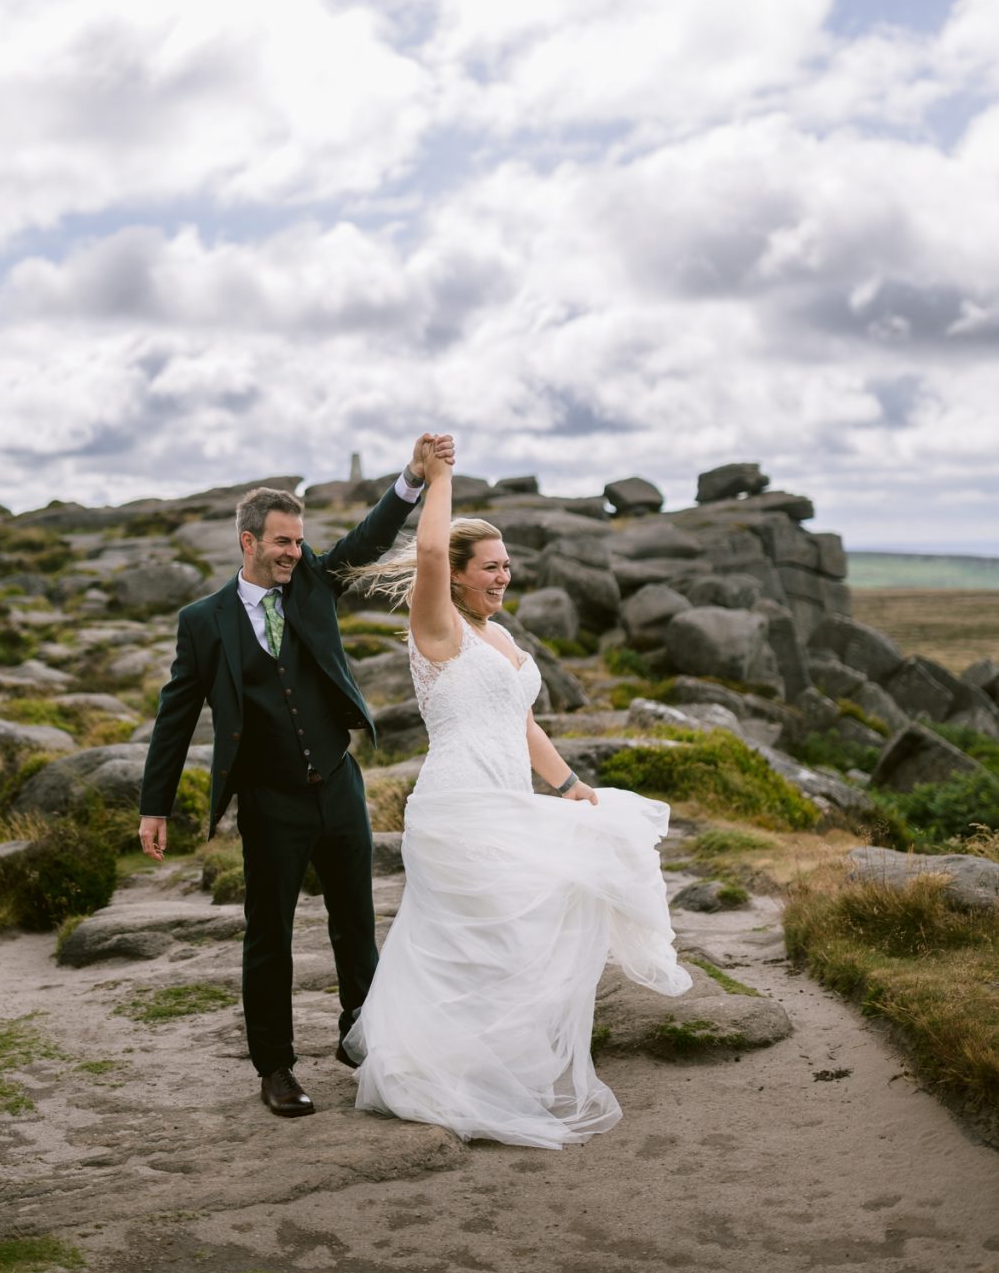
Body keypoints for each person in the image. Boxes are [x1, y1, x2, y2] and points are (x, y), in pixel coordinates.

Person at [341, 446, 690, 1148]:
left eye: (506, 565)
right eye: (490, 567)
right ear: (459, 577)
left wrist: (568, 786)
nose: (503, 576)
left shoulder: (496, 634)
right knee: (475, 938)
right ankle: (437, 1072)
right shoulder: (433, 626)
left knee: (511, 936)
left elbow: (521, 722)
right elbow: (431, 549)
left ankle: (488, 1066)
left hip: (505, 797)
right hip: (458, 804)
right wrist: (436, 479)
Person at [138, 435, 455, 1119]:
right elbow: (175, 716)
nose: (292, 552)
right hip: (267, 799)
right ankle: (275, 1066)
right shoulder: (204, 623)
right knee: (269, 934)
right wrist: (153, 805)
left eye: (297, 541)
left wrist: (410, 479)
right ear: (247, 543)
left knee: (355, 924)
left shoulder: (312, 578)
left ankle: (360, 1032)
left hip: (337, 783)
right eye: (280, 542)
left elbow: (365, 542)